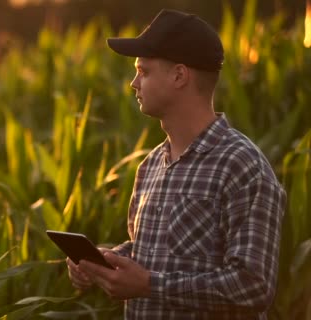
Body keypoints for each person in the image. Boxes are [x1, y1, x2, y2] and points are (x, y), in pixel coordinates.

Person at [66, 9, 287, 319]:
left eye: (143, 71)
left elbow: (253, 286)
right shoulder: (150, 165)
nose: (133, 83)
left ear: (180, 76)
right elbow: (153, 253)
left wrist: (149, 286)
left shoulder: (242, 167)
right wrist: (106, 261)